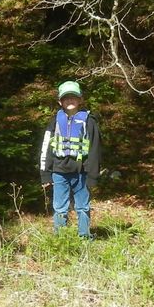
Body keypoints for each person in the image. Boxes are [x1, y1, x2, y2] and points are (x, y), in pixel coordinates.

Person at [38, 81, 101, 239]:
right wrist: (45, 174)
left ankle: (84, 237)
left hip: (81, 172)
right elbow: (46, 148)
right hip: (58, 172)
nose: (70, 100)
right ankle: (61, 239)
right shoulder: (54, 122)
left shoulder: (89, 121)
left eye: (73, 97)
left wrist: (93, 175)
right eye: (66, 98)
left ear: (80, 99)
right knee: (60, 207)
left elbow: (95, 149)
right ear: (60, 102)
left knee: (83, 206)